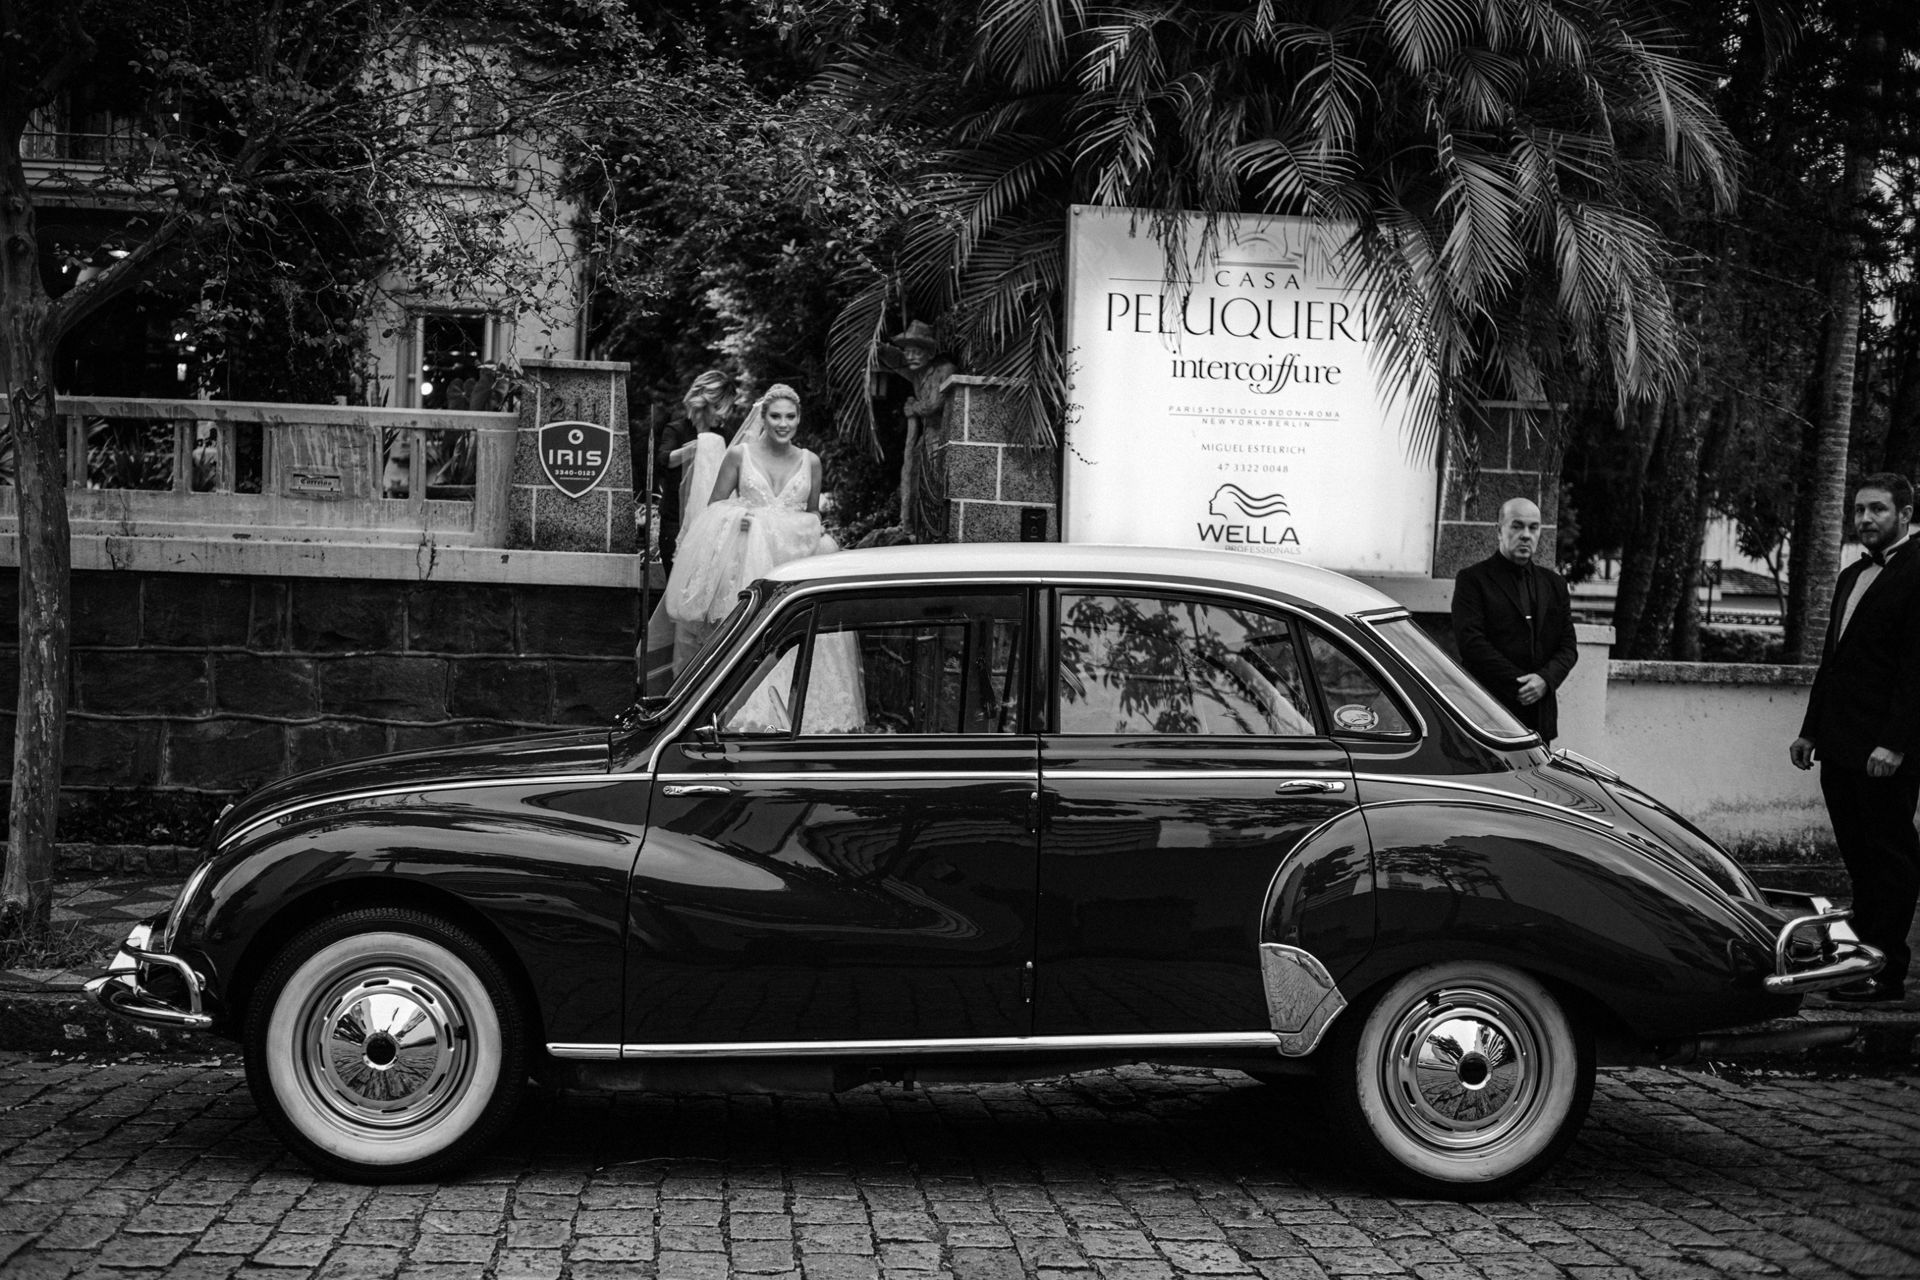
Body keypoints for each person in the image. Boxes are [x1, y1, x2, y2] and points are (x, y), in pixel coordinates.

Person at [1790, 472, 1920, 1004]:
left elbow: (1917, 670)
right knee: (1859, 858)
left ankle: (1886, 972)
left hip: (1885, 752)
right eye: (1860, 510)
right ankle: (1861, 956)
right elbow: (1834, 663)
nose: (1865, 519)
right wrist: (1809, 731)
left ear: (1905, 515)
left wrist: (1896, 743)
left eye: (1878, 510)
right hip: (1838, 747)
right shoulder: (1850, 574)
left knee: (1890, 858)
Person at [1451, 497, 1579, 742]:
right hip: (1489, 712)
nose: (1526, 535)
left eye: (1533, 527)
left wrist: (1545, 679)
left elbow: (1568, 647)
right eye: (1517, 526)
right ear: (1499, 530)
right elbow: (1471, 643)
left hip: (1540, 718)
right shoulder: (1473, 580)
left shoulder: (1554, 584)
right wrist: (1520, 684)